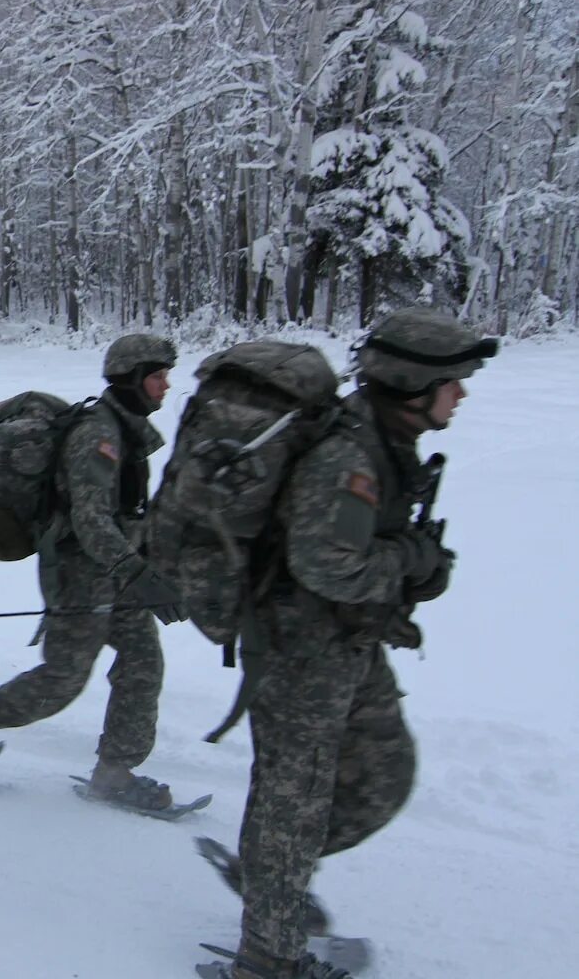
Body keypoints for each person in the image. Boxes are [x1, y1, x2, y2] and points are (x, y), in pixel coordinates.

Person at [201, 309, 495, 979]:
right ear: (414, 384)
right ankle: (267, 958)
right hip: (298, 651)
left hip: (349, 643)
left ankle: (271, 873)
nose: (463, 393)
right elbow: (325, 564)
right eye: (454, 381)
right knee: (293, 798)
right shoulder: (347, 455)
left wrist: (408, 561)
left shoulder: (383, 442)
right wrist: (409, 561)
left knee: (383, 776)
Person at [0, 334, 182, 806]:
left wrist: (153, 568)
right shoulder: (98, 436)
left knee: (142, 661)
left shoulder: (126, 430)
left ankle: (115, 771)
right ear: (132, 379)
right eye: (157, 377)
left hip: (117, 570)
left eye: (165, 376)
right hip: (80, 571)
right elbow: (89, 520)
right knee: (63, 679)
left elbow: (127, 513)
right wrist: (139, 574)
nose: (165, 386)